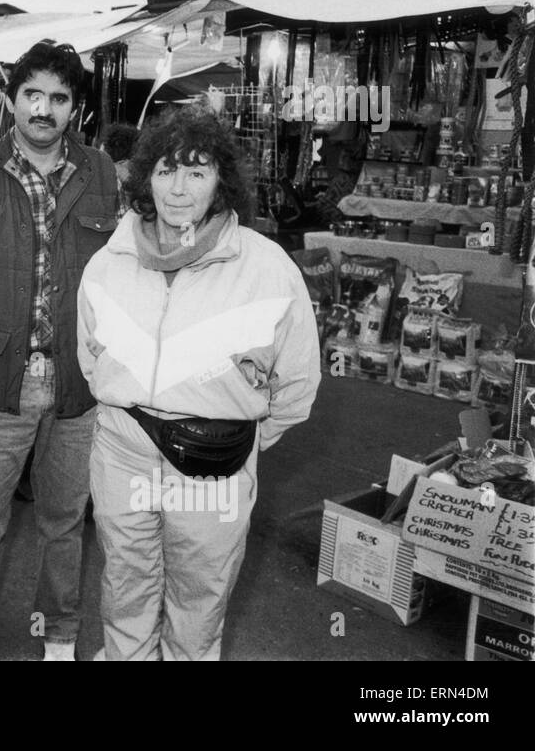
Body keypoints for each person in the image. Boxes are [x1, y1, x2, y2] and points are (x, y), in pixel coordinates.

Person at [77, 104, 320, 661]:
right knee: (124, 589)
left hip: (217, 464)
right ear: (144, 180)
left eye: (196, 170)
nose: (179, 189)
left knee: (200, 599)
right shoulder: (110, 261)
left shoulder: (265, 266)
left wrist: (240, 435)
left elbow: (298, 381)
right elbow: (90, 357)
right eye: (165, 171)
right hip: (123, 452)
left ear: (221, 181)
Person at [0, 39, 118, 661]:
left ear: (74, 110)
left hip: (76, 384)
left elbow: (118, 277)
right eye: (32, 95)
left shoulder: (101, 174)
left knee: (64, 525)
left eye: (58, 98)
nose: (43, 109)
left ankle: (59, 633)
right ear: (12, 99)